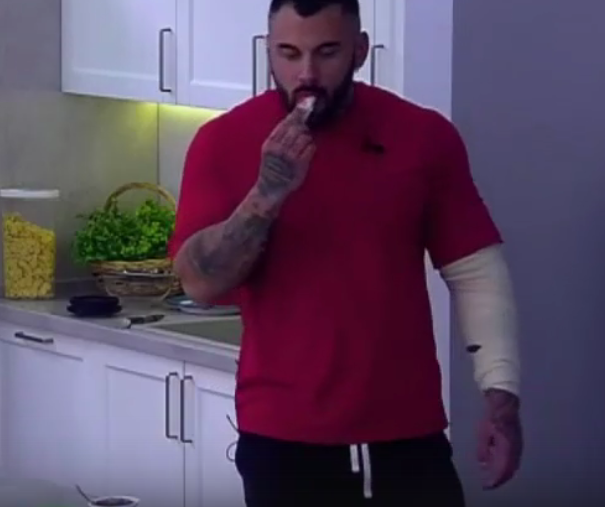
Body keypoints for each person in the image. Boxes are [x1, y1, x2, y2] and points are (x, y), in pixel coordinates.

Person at [168, 0, 522, 505]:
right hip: (283, 441)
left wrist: (501, 395)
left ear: (359, 51)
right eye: (289, 54)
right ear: (268, 52)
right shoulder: (221, 141)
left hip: (408, 435)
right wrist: (266, 195)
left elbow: (476, 272)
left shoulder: (423, 137)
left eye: (327, 52)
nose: (307, 74)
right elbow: (199, 283)